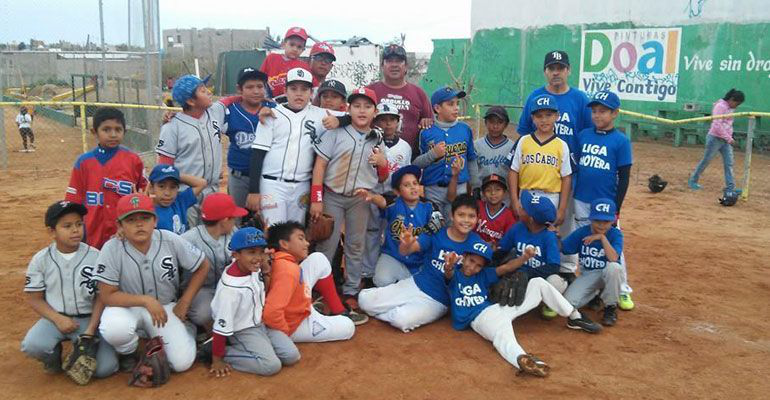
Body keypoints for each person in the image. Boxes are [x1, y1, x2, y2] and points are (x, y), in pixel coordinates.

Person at [444, 239, 600, 377]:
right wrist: (449, 266)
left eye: (478, 265)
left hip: (498, 308)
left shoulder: (483, 275)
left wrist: (525, 258)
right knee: (502, 335)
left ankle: (573, 315)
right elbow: (448, 274)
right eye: (471, 261)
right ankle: (522, 359)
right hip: (479, 318)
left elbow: (506, 268)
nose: (473, 267)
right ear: (463, 258)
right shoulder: (456, 276)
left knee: (537, 283)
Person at [94, 193, 210, 373]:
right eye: (131, 220)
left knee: (181, 363)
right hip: (127, 308)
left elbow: (202, 265)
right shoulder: (112, 248)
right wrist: (146, 301)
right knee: (115, 328)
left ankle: (187, 329)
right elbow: (107, 295)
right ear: (120, 225)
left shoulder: (169, 239)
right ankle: (129, 352)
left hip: (164, 308)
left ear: (154, 220)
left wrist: (185, 302)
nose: (139, 224)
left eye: (145, 218)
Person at [358, 194, 487, 332]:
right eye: (461, 215)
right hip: (415, 283)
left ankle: (395, 310)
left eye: (471, 216)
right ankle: (393, 306)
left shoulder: (477, 245)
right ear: (452, 216)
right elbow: (405, 252)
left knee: (400, 319)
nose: (466, 220)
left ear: (478, 218)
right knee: (364, 300)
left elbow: (480, 274)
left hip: (437, 301)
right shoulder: (438, 233)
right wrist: (406, 243)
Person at [21, 201, 118, 383]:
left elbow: (102, 296)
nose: (75, 230)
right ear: (52, 231)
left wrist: (90, 330)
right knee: (33, 345)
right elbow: (34, 299)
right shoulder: (41, 259)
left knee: (106, 368)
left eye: (79, 224)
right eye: (67, 226)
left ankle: (81, 344)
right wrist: (58, 319)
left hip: (89, 320)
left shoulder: (96, 256)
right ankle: (53, 355)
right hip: (54, 318)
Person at [516, 50, 594, 275]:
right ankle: (537, 264)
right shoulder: (534, 97)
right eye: (552, 68)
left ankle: (567, 269)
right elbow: (523, 134)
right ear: (545, 72)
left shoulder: (579, 99)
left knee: (565, 221)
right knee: (535, 222)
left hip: (569, 174)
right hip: (538, 175)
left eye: (561, 68)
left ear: (568, 70)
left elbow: (587, 135)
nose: (556, 72)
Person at [309, 87, 388, 309]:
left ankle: (352, 289)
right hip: (332, 195)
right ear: (349, 109)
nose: (362, 111)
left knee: (355, 244)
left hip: (360, 198)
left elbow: (382, 177)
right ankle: (319, 290)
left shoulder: (377, 138)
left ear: (375, 111)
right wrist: (316, 198)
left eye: (367, 106)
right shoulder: (335, 132)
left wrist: (383, 164)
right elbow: (320, 165)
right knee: (327, 244)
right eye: (357, 106)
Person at [246, 68, 342, 224]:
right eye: (293, 88)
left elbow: (353, 117)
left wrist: (339, 121)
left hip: (301, 186)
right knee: (273, 232)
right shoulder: (271, 114)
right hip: (272, 184)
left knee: (296, 234)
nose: (299, 93)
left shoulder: (319, 114)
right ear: (285, 91)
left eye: (304, 89)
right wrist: (254, 190)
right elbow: (258, 153)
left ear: (311, 92)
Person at [206, 227, 300, 377]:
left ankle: (260, 347)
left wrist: (266, 270)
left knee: (291, 356)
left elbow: (263, 290)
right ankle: (219, 351)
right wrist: (217, 359)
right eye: (251, 252)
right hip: (241, 330)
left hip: (260, 323)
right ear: (236, 255)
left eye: (261, 251)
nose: (258, 257)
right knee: (271, 365)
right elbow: (220, 327)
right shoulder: (230, 291)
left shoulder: (250, 268)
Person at [574, 90, 635, 311]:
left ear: (615, 113)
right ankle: (591, 288)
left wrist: (617, 207)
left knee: (613, 245)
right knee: (587, 244)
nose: (597, 115)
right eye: (594, 111)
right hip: (581, 199)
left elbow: (625, 177)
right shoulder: (583, 135)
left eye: (603, 111)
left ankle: (622, 289)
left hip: (606, 204)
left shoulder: (620, 141)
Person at [65, 107, 147, 249]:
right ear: (94, 132)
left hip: (126, 229)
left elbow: (145, 192)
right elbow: (73, 201)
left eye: (118, 129)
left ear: (124, 132)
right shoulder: (84, 162)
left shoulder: (133, 160)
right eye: (106, 129)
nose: (113, 134)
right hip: (93, 229)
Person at [508, 94, 573, 273]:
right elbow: (514, 171)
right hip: (527, 194)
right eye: (539, 116)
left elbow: (567, 177)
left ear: (557, 116)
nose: (544, 120)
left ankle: (549, 274)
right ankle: (520, 270)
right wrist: (515, 201)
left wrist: (561, 209)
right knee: (525, 233)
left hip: (550, 196)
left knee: (547, 236)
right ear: (532, 118)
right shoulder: (524, 141)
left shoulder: (561, 145)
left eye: (548, 115)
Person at [264, 221, 359, 341]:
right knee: (347, 326)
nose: (307, 243)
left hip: (297, 308)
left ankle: (337, 310)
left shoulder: (280, 260)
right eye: (301, 239)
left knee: (318, 259)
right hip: (294, 324)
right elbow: (271, 313)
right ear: (284, 244)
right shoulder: (288, 270)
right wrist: (284, 334)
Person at [156, 74, 224, 226]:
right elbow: (164, 168)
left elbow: (232, 100)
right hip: (186, 194)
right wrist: (196, 182)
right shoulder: (172, 127)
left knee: (211, 237)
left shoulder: (214, 113)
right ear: (191, 101)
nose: (208, 92)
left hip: (212, 192)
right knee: (188, 241)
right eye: (202, 90)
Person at [361, 103, 414, 285]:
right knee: (372, 233)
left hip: (395, 194)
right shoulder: (370, 141)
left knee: (393, 232)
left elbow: (406, 173)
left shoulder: (405, 147)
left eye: (392, 119)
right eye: (383, 120)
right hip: (374, 192)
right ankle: (368, 272)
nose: (388, 124)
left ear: (398, 122)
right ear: (376, 121)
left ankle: (390, 271)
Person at [495, 191, 566, 318]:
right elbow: (502, 251)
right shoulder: (518, 227)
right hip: (517, 277)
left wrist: (527, 274)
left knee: (555, 281)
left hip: (538, 279)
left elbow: (553, 267)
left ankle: (549, 304)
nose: (520, 208)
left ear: (531, 219)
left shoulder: (549, 236)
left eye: (524, 209)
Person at [181, 193, 247, 330]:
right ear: (224, 220)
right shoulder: (188, 239)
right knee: (203, 314)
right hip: (201, 290)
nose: (235, 220)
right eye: (233, 218)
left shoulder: (233, 232)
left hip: (229, 287)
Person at [366, 165, 438, 287]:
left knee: (423, 287)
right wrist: (372, 197)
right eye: (407, 185)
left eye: (415, 183)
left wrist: (413, 245)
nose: (413, 187)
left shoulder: (430, 206)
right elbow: (382, 201)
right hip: (394, 256)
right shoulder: (394, 203)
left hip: (420, 261)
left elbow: (435, 229)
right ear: (397, 192)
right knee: (381, 280)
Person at [414, 86, 476, 219]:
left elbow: (471, 158)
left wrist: (475, 186)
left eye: (457, 104)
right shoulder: (426, 131)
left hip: (459, 187)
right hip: (433, 189)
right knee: (434, 226)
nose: (456, 108)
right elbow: (416, 164)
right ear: (437, 108)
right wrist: (433, 154)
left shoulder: (465, 129)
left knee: (455, 226)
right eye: (450, 104)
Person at [561, 198, 624, 327]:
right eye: (597, 221)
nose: (601, 225)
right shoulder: (582, 232)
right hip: (588, 275)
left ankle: (610, 307)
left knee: (614, 268)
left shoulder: (616, 234)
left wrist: (602, 238)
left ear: (613, 220)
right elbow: (563, 247)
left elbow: (613, 258)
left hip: (608, 273)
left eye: (606, 221)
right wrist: (551, 236)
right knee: (567, 304)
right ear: (590, 219)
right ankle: (596, 294)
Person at [367, 44, 433, 154]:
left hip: (409, 161)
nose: (394, 65)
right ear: (382, 65)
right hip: (372, 159)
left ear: (406, 66)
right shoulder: (369, 92)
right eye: (389, 61)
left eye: (399, 61)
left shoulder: (418, 93)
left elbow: (429, 122)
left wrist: (427, 122)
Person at [223, 67, 270, 210]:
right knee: (236, 219)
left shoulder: (274, 109)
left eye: (260, 86)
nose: (256, 91)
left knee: (267, 222)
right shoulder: (230, 111)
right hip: (239, 176)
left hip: (268, 177)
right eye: (249, 87)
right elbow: (205, 123)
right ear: (239, 89)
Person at [688, 88, 745, 194]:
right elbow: (717, 125)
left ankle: (730, 187)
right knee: (706, 160)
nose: (737, 106)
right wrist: (729, 138)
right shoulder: (720, 106)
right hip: (715, 138)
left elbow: (727, 125)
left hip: (725, 139)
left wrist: (728, 137)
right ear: (732, 99)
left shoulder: (730, 108)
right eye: (737, 103)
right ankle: (693, 180)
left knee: (729, 163)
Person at [147, 164, 206, 235]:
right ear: (151, 188)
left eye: (173, 187)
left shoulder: (179, 202)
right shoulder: (148, 210)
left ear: (178, 188)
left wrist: (176, 175)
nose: (167, 193)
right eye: (161, 186)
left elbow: (202, 183)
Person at [470, 106, 514, 192]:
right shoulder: (476, 145)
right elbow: (471, 172)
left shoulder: (512, 147)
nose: (495, 126)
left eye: (500, 122)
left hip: (505, 197)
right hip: (481, 195)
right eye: (491, 122)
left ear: (506, 124)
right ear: (485, 122)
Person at [260, 27, 311, 100]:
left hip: (293, 102)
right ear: (283, 44)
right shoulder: (271, 58)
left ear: (303, 50)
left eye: (299, 47)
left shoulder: (304, 66)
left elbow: (312, 88)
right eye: (292, 44)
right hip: (271, 99)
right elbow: (260, 80)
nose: (295, 49)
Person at [471, 174, 516, 248]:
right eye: (488, 190)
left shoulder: (509, 216)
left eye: (498, 189)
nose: (493, 193)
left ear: (505, 193)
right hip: (473, 247)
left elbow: (509, 242)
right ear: (483, 193)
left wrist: (497, 246)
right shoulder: (477, 206)